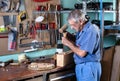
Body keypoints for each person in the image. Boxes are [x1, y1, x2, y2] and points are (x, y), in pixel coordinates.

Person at [62, 9, 101, 81]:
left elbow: (82, 53)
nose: (71, 28)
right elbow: (80, 43)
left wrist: (68, 43)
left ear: (81, 21)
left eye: (73, 25)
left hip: (88, 67)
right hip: (83, 67)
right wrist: (70, 36)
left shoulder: (91, 30)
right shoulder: (81, 30)